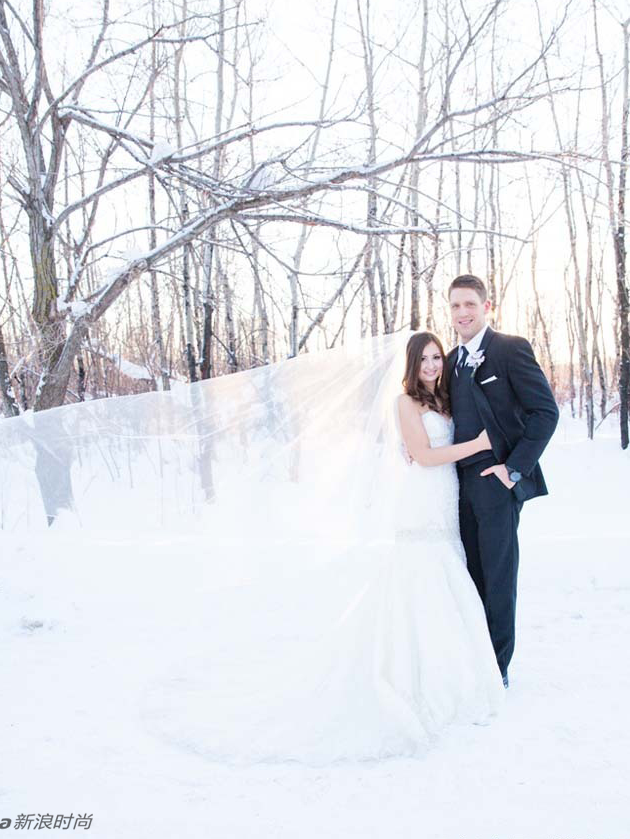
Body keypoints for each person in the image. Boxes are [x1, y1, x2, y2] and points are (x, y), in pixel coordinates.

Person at [142, 329, 506, 765]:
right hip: (421, 500)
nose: (431, 365)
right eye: (424, 359)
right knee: (419, 577)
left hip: (445, 497)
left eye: (436, 357)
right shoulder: (404, 403)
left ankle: (452, 675)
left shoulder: (444, 400)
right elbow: (424, 455)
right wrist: (479, 444)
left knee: (446, 575)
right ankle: (410, 678)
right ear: (411, 365)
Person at [446, 274, 559, 688]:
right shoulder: (451, 361)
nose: (463, 313)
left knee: (497, 577)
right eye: (456, 306)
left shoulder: (510, 350)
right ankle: (473, 657)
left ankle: (497, 670)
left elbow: (546, 413)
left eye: (470, 304)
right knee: (468, 575)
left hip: (496, 484)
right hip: (455, 488)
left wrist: (513, 470)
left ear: (486, 306)